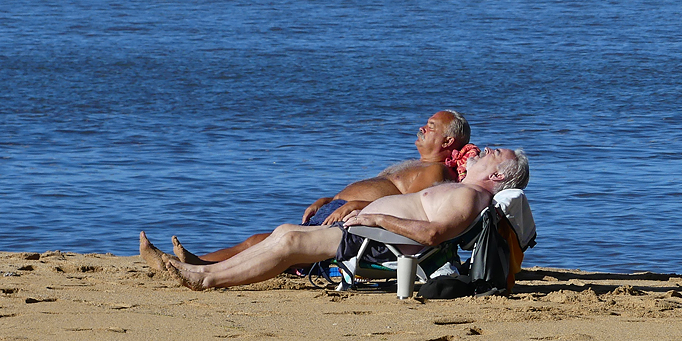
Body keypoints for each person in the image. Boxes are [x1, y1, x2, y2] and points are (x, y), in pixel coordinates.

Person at [141, 147, 529, 291]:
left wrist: (377, 218)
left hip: (378, 241)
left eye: (497, 153)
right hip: (370, 231)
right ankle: (207, 269)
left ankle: (205, 277)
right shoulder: (465, 191)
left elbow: (430, 234)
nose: (488, 149)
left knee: (292, 243)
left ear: (496, 176)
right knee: (284, 232)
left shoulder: (469, 195)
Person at [171, 110, 477, 264]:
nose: (422, 128)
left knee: (260, 242)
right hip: (338, 211)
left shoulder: (436, 171)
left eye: (432, 127)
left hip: (355, 225)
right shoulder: (418, 165)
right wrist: (327, 198)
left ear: (448, 141)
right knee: (261, 240)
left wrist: (357, 207)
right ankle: (195, 262)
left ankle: (195, 264)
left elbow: (413, 209)